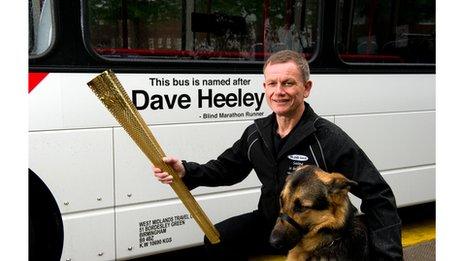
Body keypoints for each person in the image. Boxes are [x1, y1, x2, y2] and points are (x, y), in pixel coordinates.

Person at [153, 50, 403, 260]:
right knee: (217, 239)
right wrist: (185, 170)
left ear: (306, 88)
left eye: (288, 83)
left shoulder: (328, 138)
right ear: (264, 87)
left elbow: (378, 195)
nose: (278, 91)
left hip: (317, 235)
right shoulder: (256, 133)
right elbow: (226, 169)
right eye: (272, 83)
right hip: (272, 220)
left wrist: (388, 256)